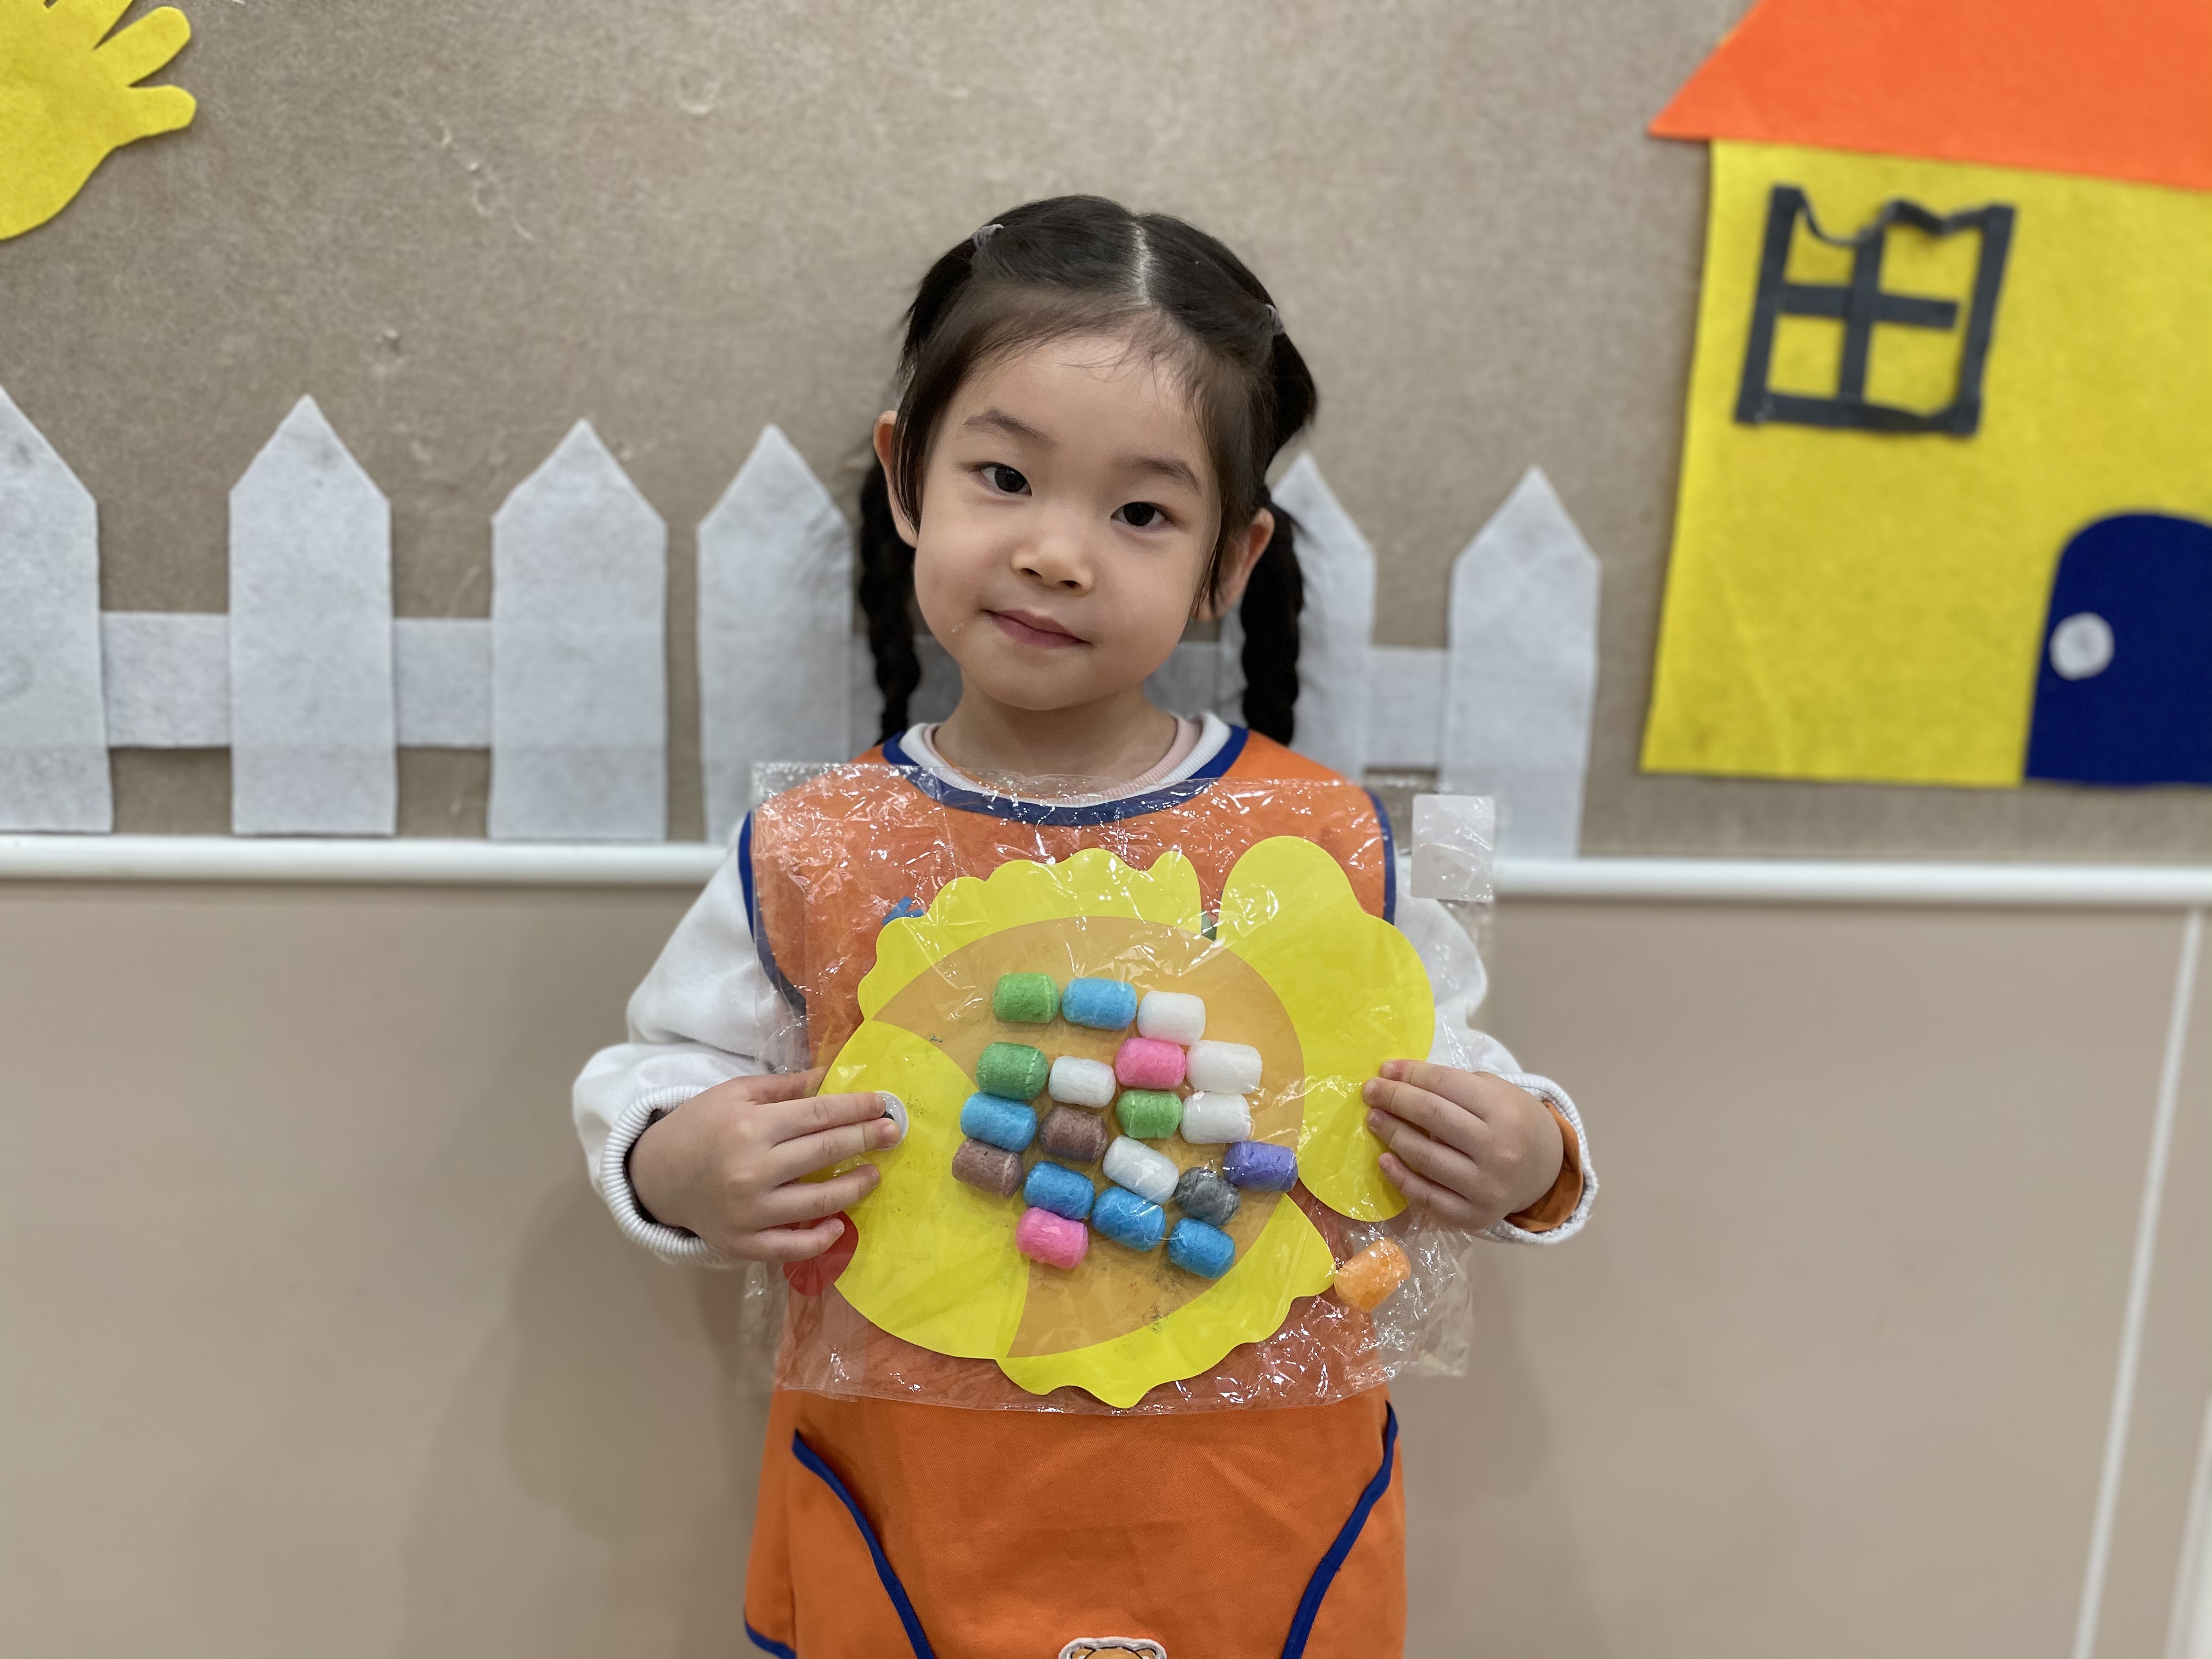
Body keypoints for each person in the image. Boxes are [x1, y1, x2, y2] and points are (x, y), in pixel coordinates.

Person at [573, 195, 1595, 1657]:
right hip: (918, 1494)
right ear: (907, 479)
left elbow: (1452, 1076)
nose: (1059, 552)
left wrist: (1527, 1156)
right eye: (1004, 477)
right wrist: (681, 1160)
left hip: (1255, 1499)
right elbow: (666, 1067)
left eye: (1141, 514)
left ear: (1229, 563)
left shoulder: (1323, 843)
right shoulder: (817, 845)